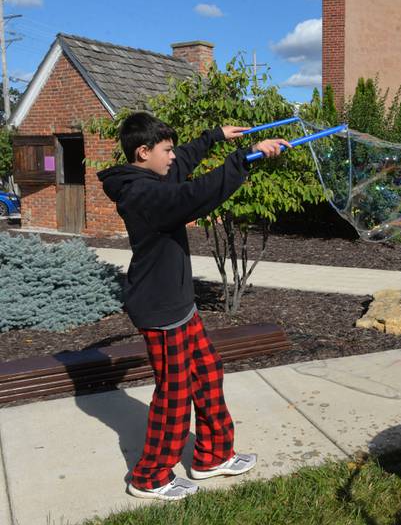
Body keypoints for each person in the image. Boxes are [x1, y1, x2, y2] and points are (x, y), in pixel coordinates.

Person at [98, 112, 290, 501]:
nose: (173, 157)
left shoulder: (152, 175)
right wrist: (244, 159)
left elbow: (182, 162)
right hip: (161, 309)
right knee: (175, 392)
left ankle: (212, 456)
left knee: (206, 372)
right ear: (143, 152)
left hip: (179, 304)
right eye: (165, 150)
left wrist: (214, 136)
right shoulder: (142, 194)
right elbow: (192, 195)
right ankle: (150, 476)